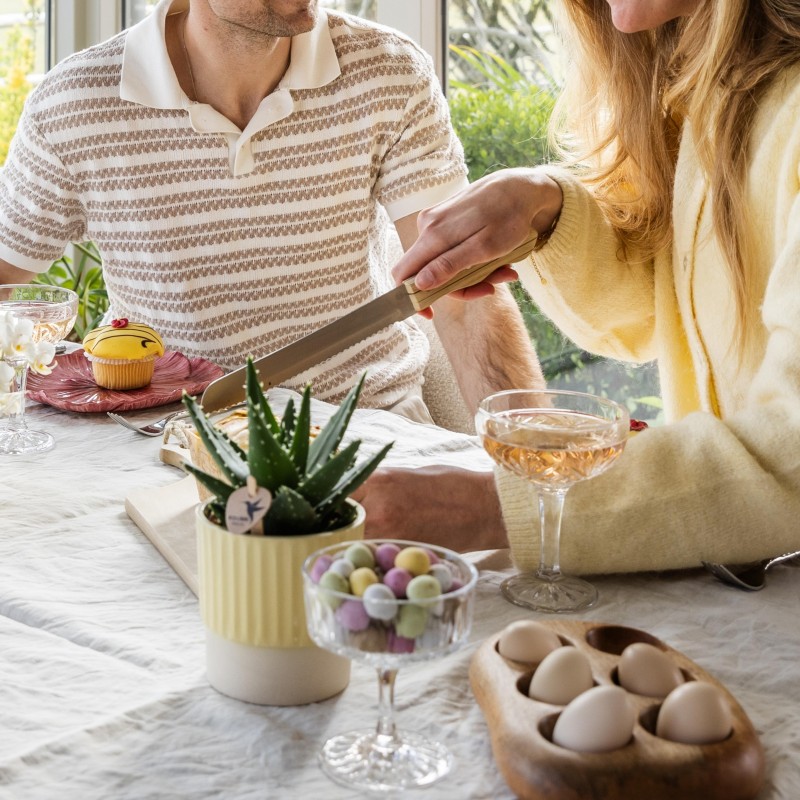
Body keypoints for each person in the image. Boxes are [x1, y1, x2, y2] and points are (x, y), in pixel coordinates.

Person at [353, 0, 800, 574]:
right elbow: (651, 316)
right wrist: (548, 207)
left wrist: (494, 507)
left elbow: (791, 455)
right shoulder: (711, 89)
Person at [0, 0, 541, 418]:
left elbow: (461, 291)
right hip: (162, 436)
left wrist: (533, 471)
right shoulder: (74, 103)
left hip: (368, 429)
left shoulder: (389, 72)